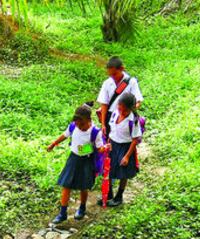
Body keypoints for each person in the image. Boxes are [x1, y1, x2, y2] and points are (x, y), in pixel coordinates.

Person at [47, 104, 107, 223]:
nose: (80, 127)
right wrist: (54, 144)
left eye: (82, 124)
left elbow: (99, 148)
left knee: (83, 187)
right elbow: (65, 135)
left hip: (86, 160)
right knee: (66, 185)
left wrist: (104, 148)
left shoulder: (95, 132)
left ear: (89, 120)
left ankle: (82, 208)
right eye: (78, 125)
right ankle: (62, 212)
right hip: (73, 159)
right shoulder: (74, 127)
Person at [96, 56, 143, 202]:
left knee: (122, 162)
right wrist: (104, 124)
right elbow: (104, 104)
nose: (113, 77)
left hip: (126, 120)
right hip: (112, 119)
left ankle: (119, 195)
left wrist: (128, 112)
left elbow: (138, 100)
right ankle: (108, 192)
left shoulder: (131, 82)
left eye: (114, 74)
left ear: (121, 69)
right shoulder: (107, 84)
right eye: (110, 74)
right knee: (108, 159)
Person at [105, 93, 142, 207]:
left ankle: (119, 196)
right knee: (109, 169)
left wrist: (127, 156)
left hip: (125, 147)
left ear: (130, 109)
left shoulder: (133, 120)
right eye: (120, 108)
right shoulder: (116, 113)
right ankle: (108, 194)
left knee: (123, 173)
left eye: (124, 110)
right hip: (113, 144)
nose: (121, 112)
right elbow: (112, 129)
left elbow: (135, 139)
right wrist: (108, 142)